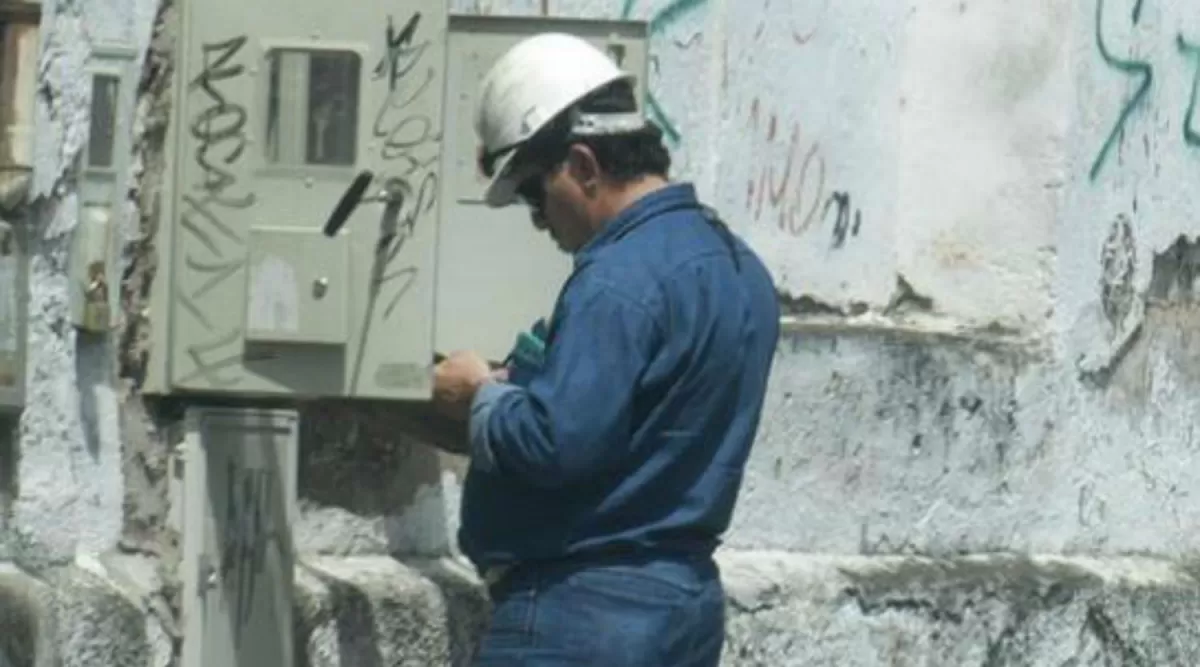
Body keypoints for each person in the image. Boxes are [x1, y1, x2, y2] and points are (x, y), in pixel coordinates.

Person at [431, 32, 781, 667]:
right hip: (682, 607)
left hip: (580, 615)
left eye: (536, 193)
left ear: (585, 167)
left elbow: (556, 442)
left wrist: (479, 393)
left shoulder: (616, 279)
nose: (539, 219)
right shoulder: (739, 269)